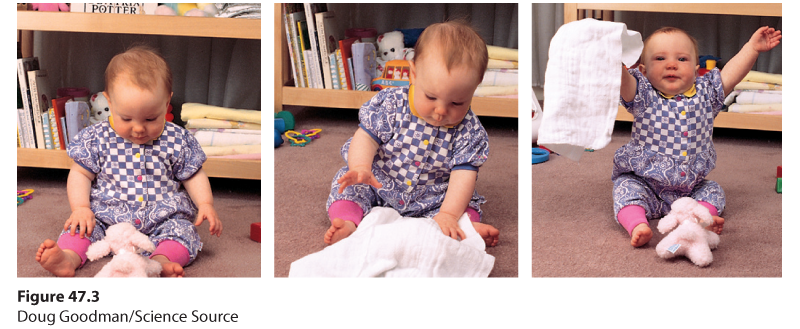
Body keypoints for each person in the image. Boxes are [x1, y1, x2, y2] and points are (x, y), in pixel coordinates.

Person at [36, 46, 222, 277]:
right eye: (126, 118)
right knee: (79, 230)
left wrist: (205, 203)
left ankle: (160, 261)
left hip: (163, 215)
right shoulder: (96, 138)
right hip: (106, 215)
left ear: (166, 103)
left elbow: (193, 174)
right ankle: (67, 258)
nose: (138, 128)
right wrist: (81, 208)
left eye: (151, 118)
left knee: (183, 233)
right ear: (109, 102)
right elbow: (80, 174)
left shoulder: (177, 139)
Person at [324, 20, 500, 247]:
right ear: (413, 73)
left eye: (457, 102)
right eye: (431, 97)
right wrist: (360, 167)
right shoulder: (392, 104)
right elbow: (365, 137)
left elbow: (463, 176)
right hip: (380, 183)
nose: (441, 111)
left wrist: (448, 213)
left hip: (432, 197)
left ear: (476, 85)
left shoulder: (468, 130)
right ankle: (348, 222)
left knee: (463, 205)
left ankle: (465, 228)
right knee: (350, 189)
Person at [616, 26, 781, 247]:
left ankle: (700, 220)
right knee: (625, 191)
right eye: (660, 58)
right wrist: (612, 61)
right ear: (644, 71)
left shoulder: (707, 93)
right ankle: (637, 224)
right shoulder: (643, 95)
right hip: (646, 182)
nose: (672, 64)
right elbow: (624, 82)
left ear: (695, 71)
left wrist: (752, 48)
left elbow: (731, 74)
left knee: (714, 192)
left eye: (682, 58)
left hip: (690, 188)